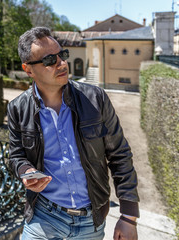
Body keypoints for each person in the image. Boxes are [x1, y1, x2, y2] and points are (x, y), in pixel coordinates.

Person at [7, 27, 139, 240]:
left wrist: (128, 216)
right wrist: (26, 170)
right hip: (44, 216)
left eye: (62, 55)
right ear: (28, 69)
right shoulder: (17, 108)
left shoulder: (95, 99)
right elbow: (16, 156)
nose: (62, 63)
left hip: (91, 221)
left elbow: (120, 154)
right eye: (50, 60)